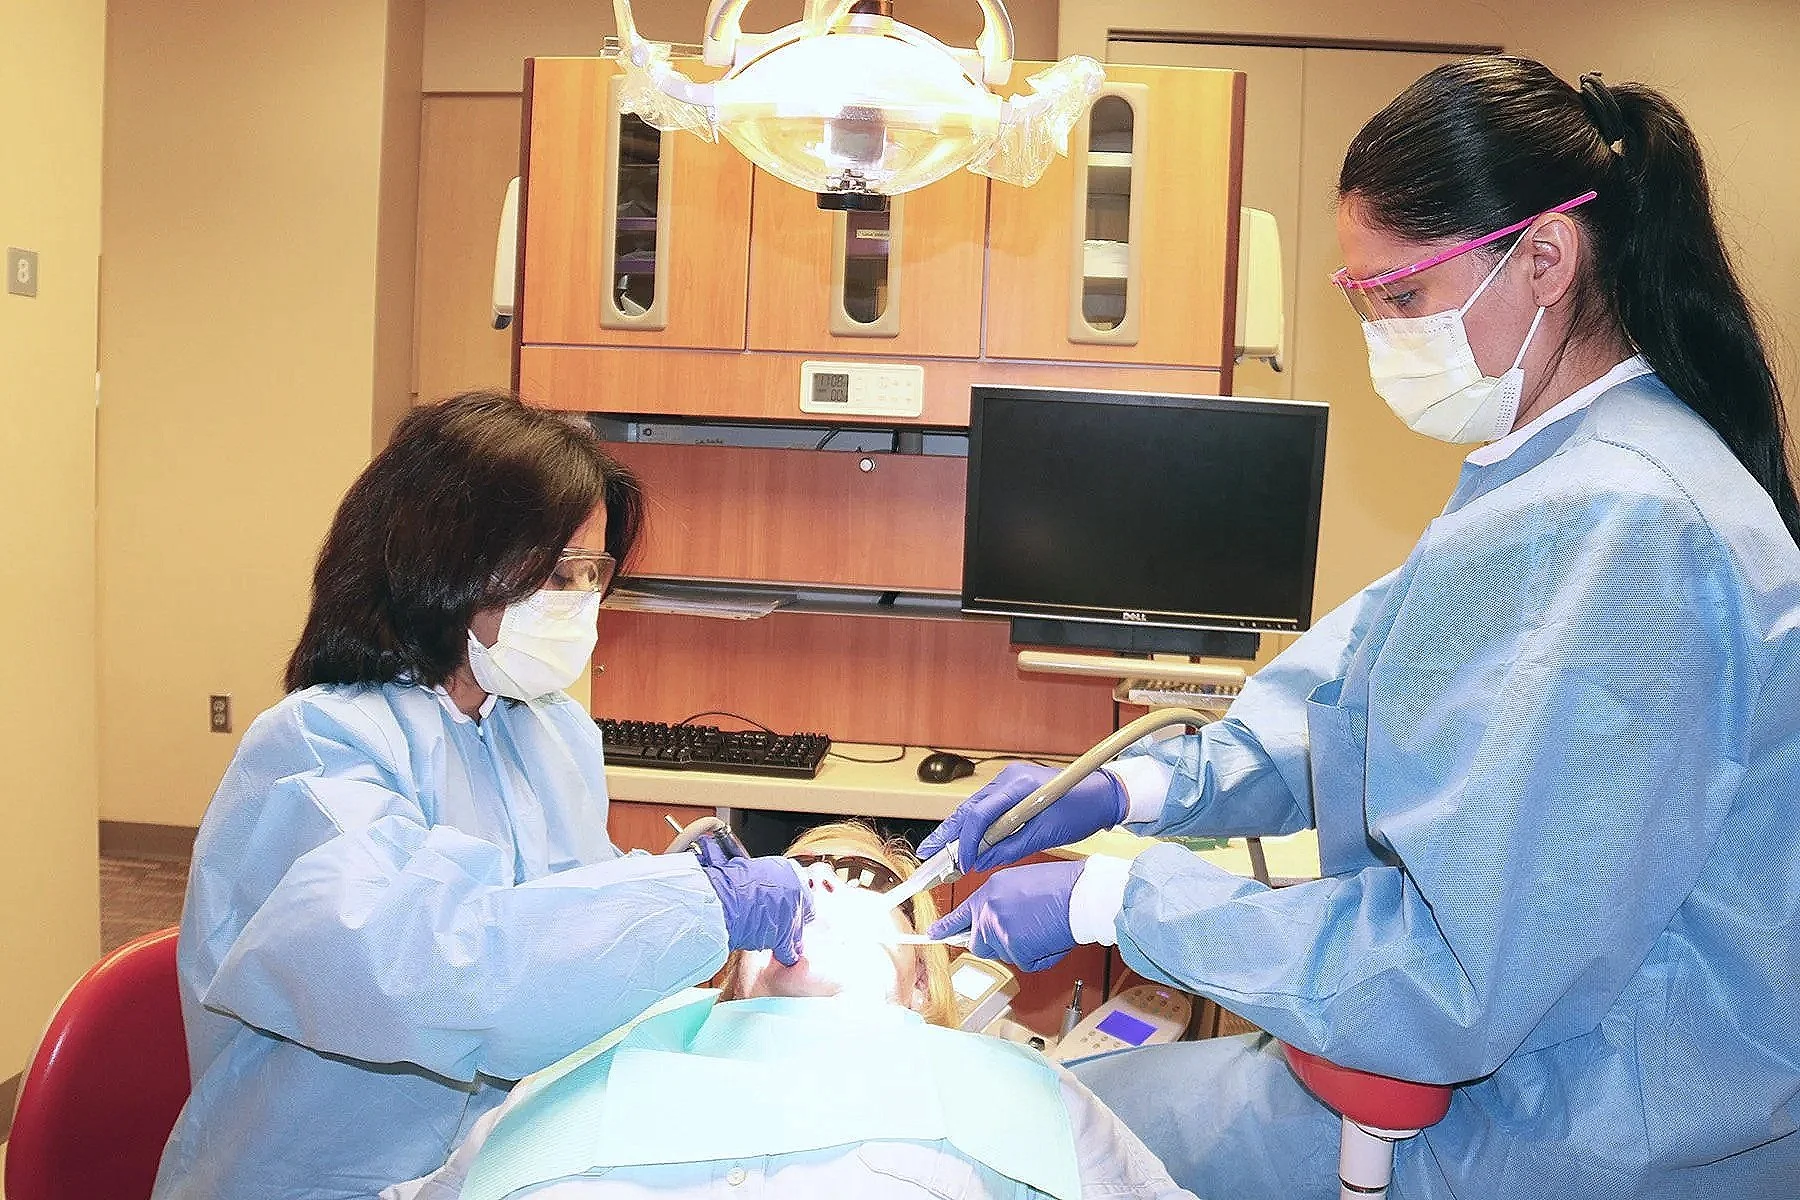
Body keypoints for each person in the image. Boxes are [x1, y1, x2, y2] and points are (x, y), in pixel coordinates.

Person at [921, 57, 1800, 1199]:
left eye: (1401, 297)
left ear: (1543, 258)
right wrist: (1127, 792)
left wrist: (1114, 900)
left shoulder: (1631, 524)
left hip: (1581, 1127)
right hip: (1498, 1078)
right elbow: (1352, 702)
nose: (1383, 334)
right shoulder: (1552, 475)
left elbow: (1455, 980)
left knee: (1039, 1145)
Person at [152, 393, 815, 1200]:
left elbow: (551, 908)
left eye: (592, 573)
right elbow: (433, 965)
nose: (576, 599)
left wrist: (662, 879)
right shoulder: (318, 748)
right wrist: (683, 906)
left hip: (498, 1156)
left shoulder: (547, 730)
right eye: (554, 570)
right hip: (328, 1171)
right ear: (447, 560)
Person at [387, 823, 1198, 1200]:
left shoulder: (1015, 1091)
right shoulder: (597, 1068)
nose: (828, 888)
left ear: (923, 985)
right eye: (797, 875)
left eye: (871, 883)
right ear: (730, 969)